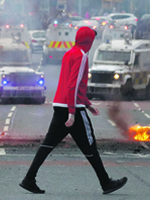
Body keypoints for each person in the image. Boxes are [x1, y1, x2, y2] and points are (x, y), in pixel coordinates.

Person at [19, 27, 128, 195]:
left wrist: (87, 104)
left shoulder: (69, 53)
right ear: (89, 42)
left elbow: (68, 84)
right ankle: (106, 183)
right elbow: (74, 85)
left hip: (60, 105)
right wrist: (72, 112)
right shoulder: (82, 56)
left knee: (48, 144)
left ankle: (29, 178)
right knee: (90, 146)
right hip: (73, 109)